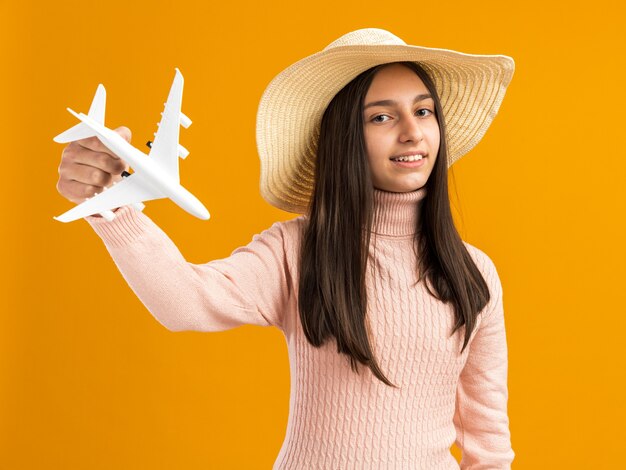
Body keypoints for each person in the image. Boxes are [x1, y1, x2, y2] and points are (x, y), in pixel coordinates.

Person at [56, 28, 516, 469]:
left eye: (423, 111)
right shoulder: (296, 250)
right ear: (344, 139)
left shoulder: (474, 273)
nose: (412, 132)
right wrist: (112, 207)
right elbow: (186, 303)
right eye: (380, 116)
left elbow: (489, 443)